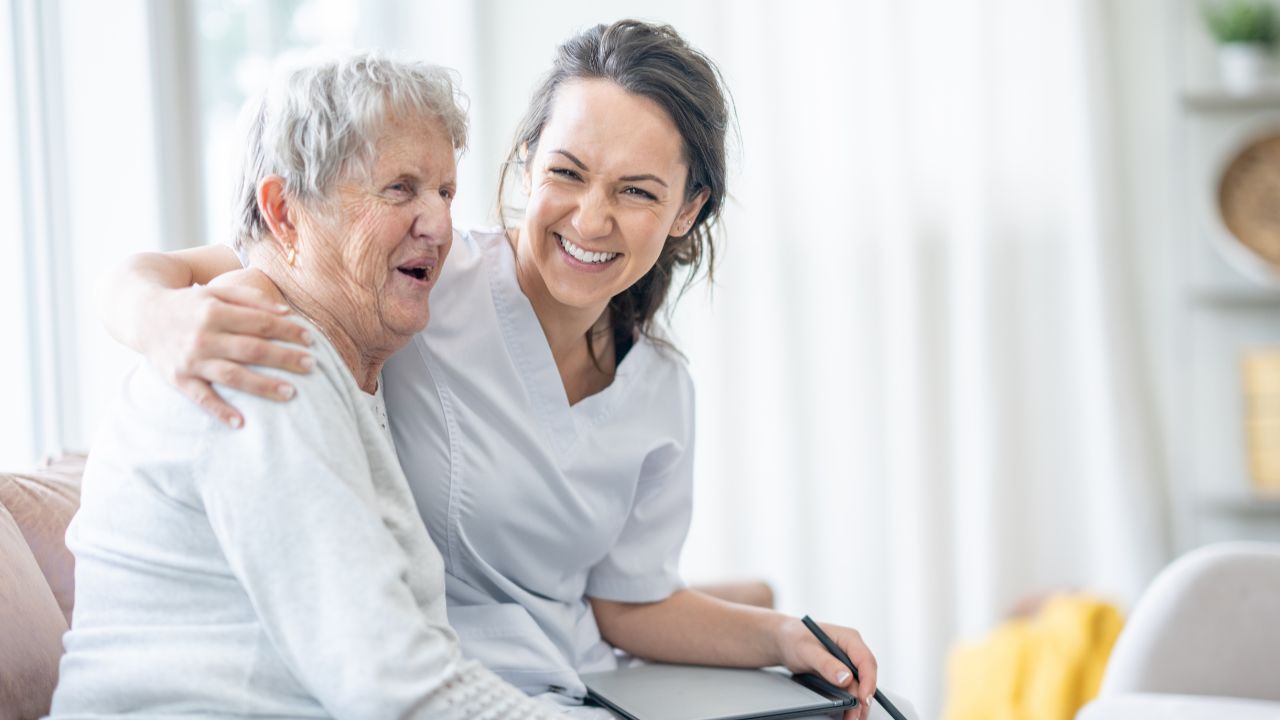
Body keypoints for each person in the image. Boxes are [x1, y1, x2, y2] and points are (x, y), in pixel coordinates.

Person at [101, 21, 908, 720]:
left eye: (636, 191)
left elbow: (628, 601)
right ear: (526, 164)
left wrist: (783, 638)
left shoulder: (660, 389)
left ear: (687, 210)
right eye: (567, 171)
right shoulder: (411, 277)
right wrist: (153, 316)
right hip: (449, 689)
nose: (591, 219)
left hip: (578, 686)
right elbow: (265, 260)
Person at [50, 54, 562, 719]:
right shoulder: (258, 350)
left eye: (444, 191)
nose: (438, 225)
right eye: (399, 189)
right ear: (286, 214)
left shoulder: (338, 351)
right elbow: (392, 682)